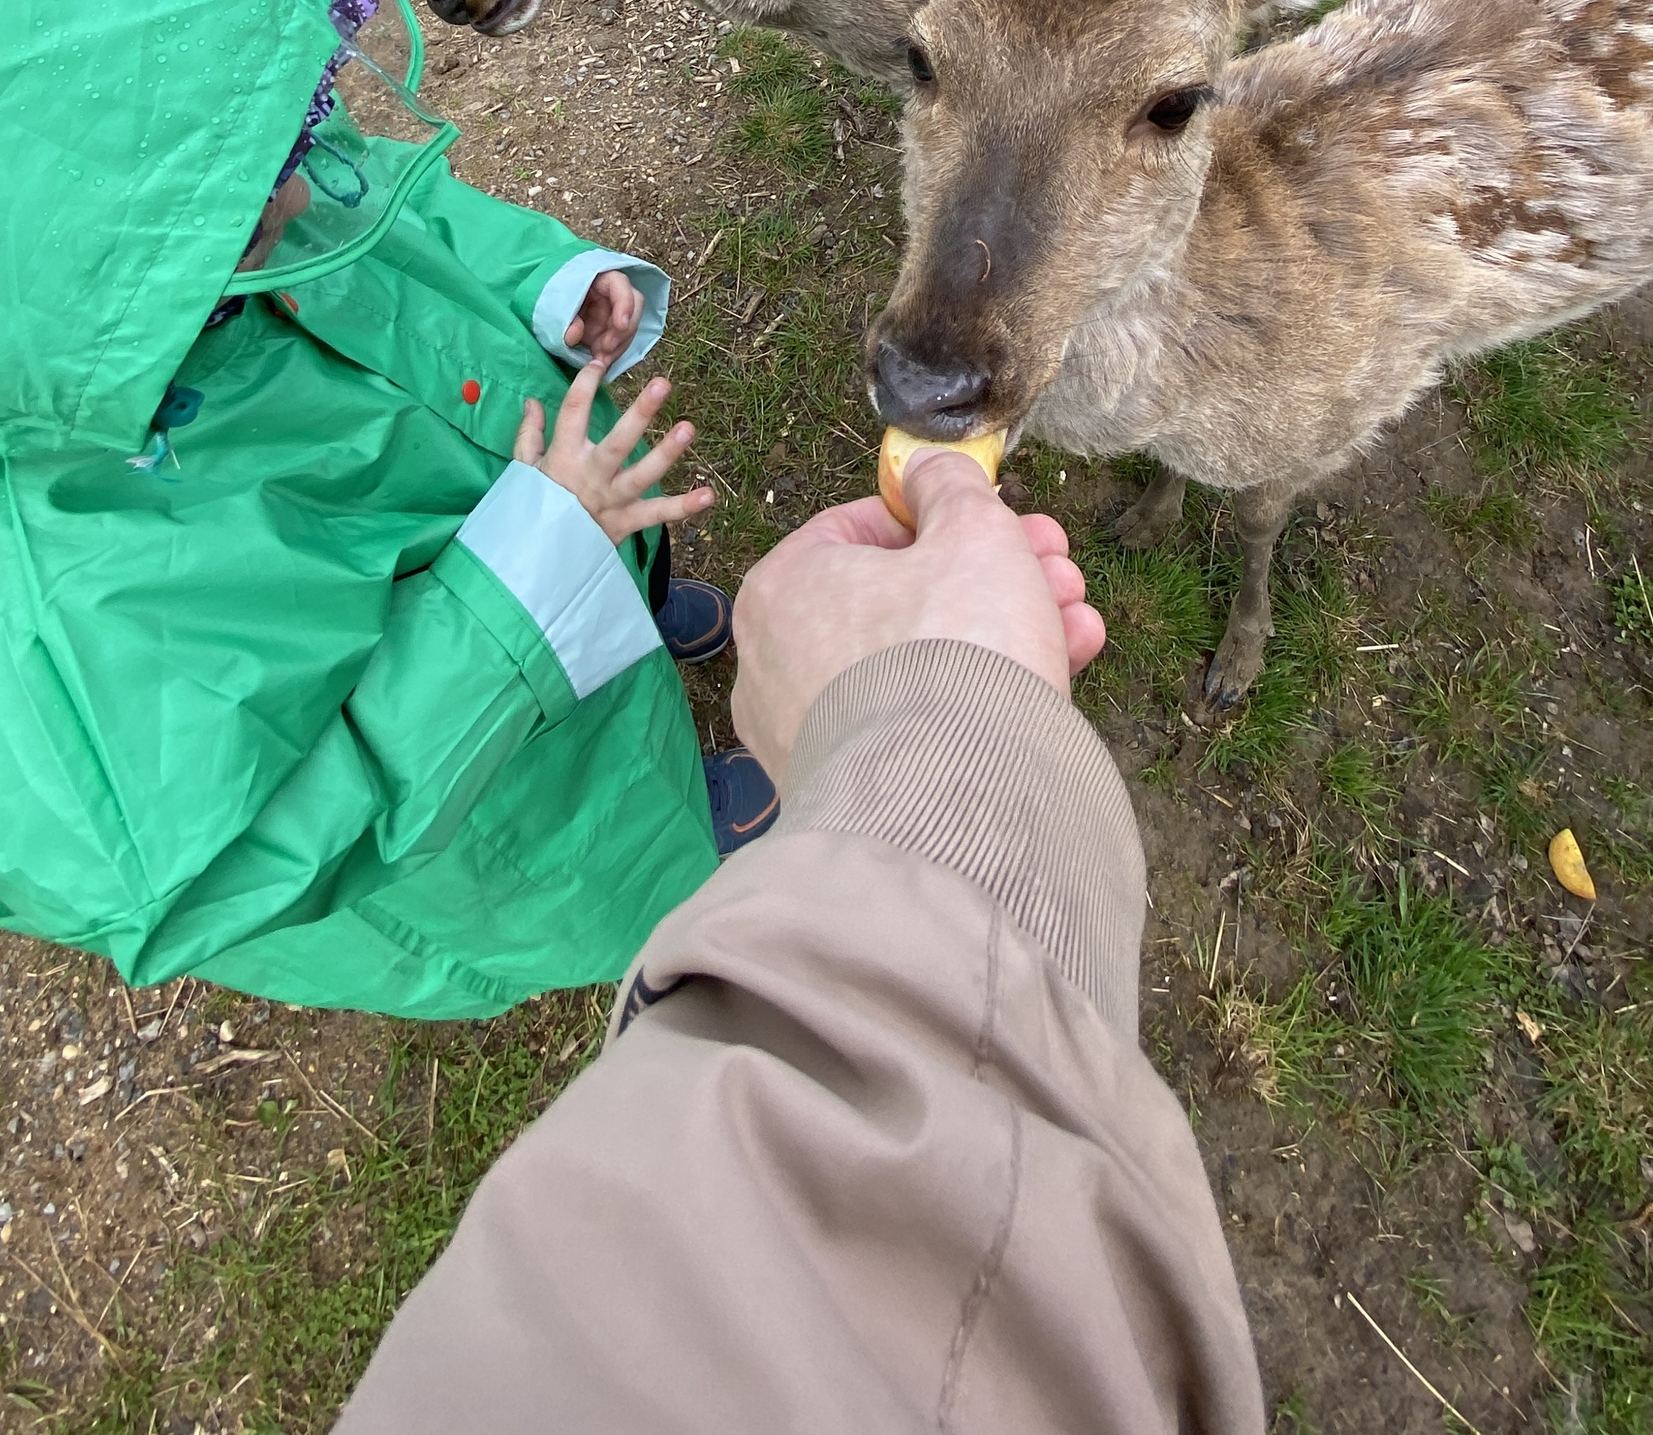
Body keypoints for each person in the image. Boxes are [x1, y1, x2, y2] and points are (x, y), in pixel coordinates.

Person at [0, 0, 773, 1024]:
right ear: (65, 268)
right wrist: (520, 582)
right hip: (484, 789)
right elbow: (217, 865)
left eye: (282, 124)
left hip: (535, 502)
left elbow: (377, 194)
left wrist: (548, 279)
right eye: (231, 197)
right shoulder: (61, 602)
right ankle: (663, 860)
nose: (297, 184)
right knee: (577, 806)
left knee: (603, 616)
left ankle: (633, 629)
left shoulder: (210, 190)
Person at [336, 448, 1267, 1435]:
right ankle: (663, 829)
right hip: (497, 842)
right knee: (628, 886)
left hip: (546, 582)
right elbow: (951, 1282)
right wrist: (937, 730)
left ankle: (672, 785)